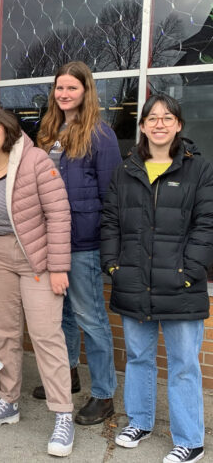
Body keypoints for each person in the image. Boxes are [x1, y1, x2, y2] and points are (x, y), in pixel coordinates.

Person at [0, 104, 74, 457]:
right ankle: (8, 402)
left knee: (46, 334)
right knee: (4, 333)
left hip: (37, 256)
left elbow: (59, 214)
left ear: (6, 128)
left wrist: (59, 266)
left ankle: (62, 414)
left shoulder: (35, 161)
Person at [102, 95, 213, 463]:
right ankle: (140, 421)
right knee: (137, 357)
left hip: (181, 284)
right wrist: (114, 266)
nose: (160, 124)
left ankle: (189, 439)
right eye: (152, 118)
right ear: (143, 125)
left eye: (167, 118)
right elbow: (111, 223)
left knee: (183, 365)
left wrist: (191, 271)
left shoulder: (199, 170)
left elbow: (206, 226)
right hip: (133, 280)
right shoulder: (125, 170)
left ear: (179, 125)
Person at [35, 61, 120, 425]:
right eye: (59, 88)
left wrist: (104, 242)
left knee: (91, 319)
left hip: (83, 244)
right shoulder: (49, 130)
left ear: (86, 90)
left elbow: (112, 195)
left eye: (71, 88)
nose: (64, 94)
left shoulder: (100, 135)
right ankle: (67, 375)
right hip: (50, 241)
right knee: (63, 317)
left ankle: (103, 395)